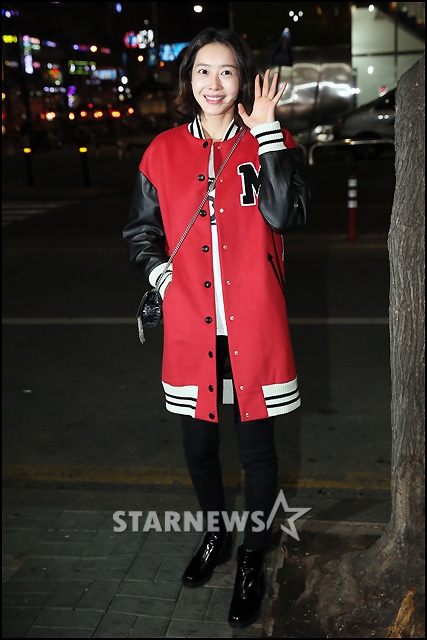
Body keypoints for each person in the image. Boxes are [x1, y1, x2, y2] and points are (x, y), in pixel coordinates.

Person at [123, 27, 311, 628]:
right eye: (202, 71)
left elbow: (285, 215)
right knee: (199, 447)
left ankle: (253, 555)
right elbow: (141, 231)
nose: (214, 83)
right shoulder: (161, 151)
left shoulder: (271, 142)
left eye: (226, 71)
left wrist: (270, 135)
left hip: (255, 325)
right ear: (188, 80)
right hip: (190, 327)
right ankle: (215, 535)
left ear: (243, 80)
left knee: (257, 451)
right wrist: (161, 278)